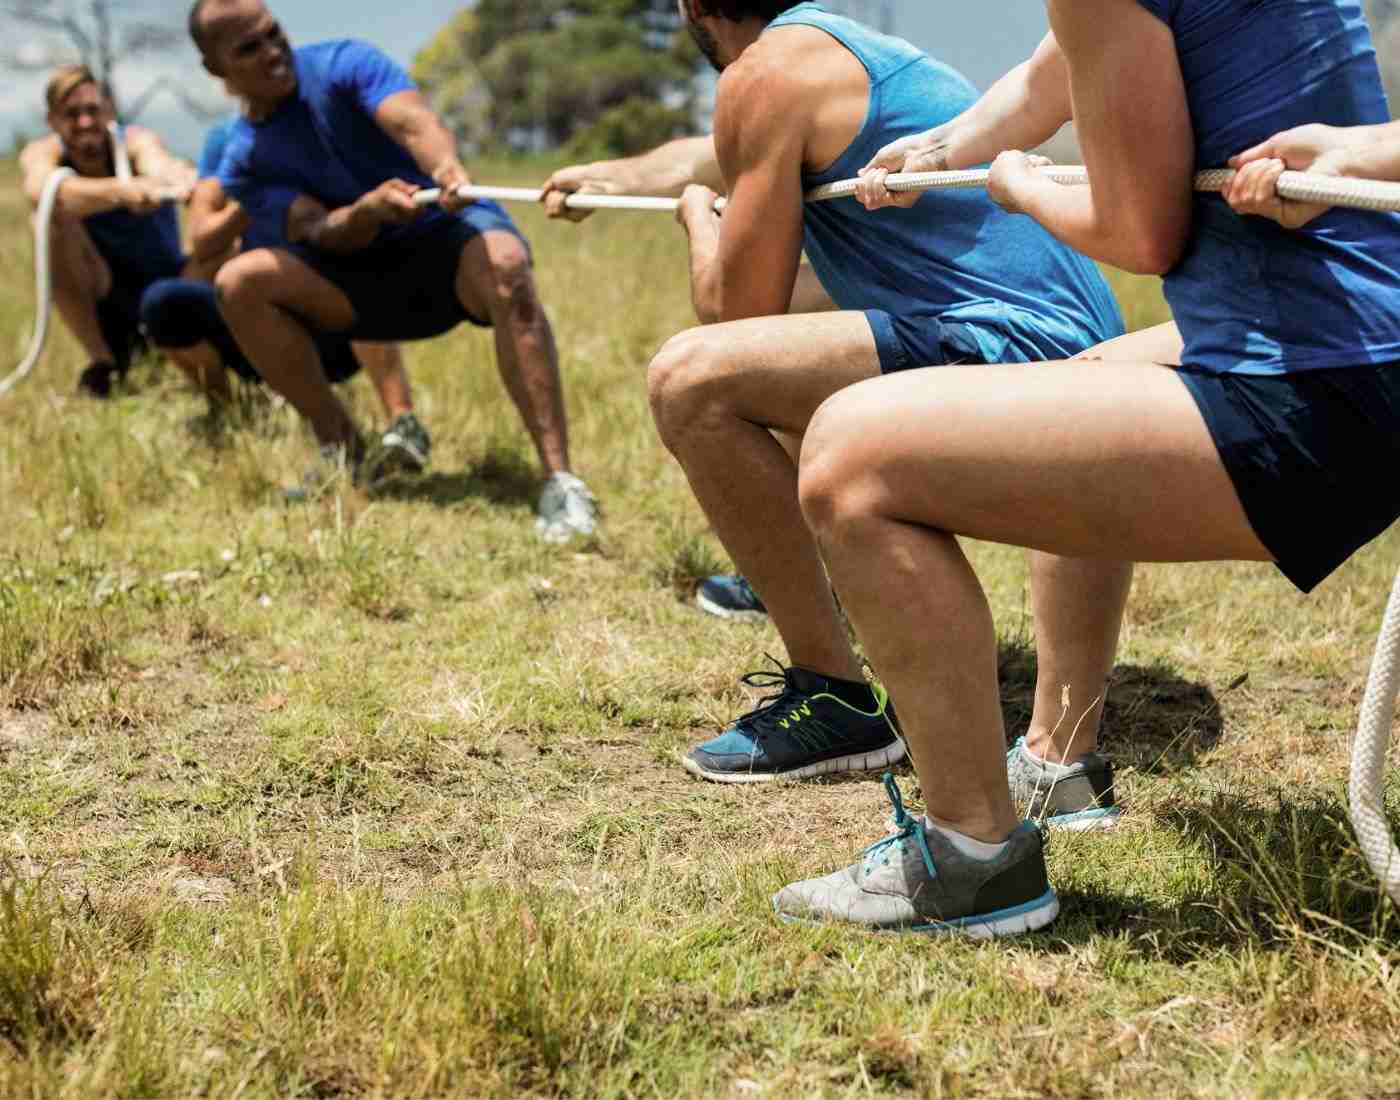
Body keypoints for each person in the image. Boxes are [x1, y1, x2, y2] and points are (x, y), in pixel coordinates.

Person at [772, 0, 1400, 936]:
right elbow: (1053, 73)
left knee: (847, 458)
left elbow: (1140, 232)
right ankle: (1059, 762)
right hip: (1351, 350)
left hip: (1315, 388)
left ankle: (971, 857)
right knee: (1080, 388)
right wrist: (943, 149)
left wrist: (1021, 188)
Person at [541, 1, 1124, 784]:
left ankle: (834, 697)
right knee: (802, 324)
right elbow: (712, 155)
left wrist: (694, 222)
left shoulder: (763, 76)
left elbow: (731, 317)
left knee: (692, 381)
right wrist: (608, 177)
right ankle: (797, 570)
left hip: (1018, 353)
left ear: (691, 7)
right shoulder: (833, 56)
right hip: (1090, 349)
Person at [184, 0, 597, 538]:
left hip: (446, 245)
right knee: (238, 281)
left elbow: (410, 119)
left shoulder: (344, 61)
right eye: (248, 47)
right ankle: (344, 453)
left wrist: (444, 166)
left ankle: (560, 481)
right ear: (217, 68)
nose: (271, 52)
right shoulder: (243, 156)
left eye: (273, 34)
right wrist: (366, 213)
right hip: (356, 283)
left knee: (508, 262)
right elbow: (315, 230)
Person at [137, 114, 432, 487]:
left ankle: (403, 424)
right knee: (164, 303)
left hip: (332, 322)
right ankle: (234, 412)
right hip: (257, 321)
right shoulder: (225, 140)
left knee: (353, 271)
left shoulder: (325, 131)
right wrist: (252, 199)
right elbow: (202, 239)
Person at [18, 65, 196, 398]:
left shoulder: (136, 142)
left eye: (92, 110)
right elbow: (39, 188)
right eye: (72, 114)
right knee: (48, 217)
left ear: (109, 112)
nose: (85, 121)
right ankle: (104, 364)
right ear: (53, 122)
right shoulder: (44, 155)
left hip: (168, 283)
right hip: (104, 294)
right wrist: (122, 192)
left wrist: (171, 177)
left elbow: (159, 163)